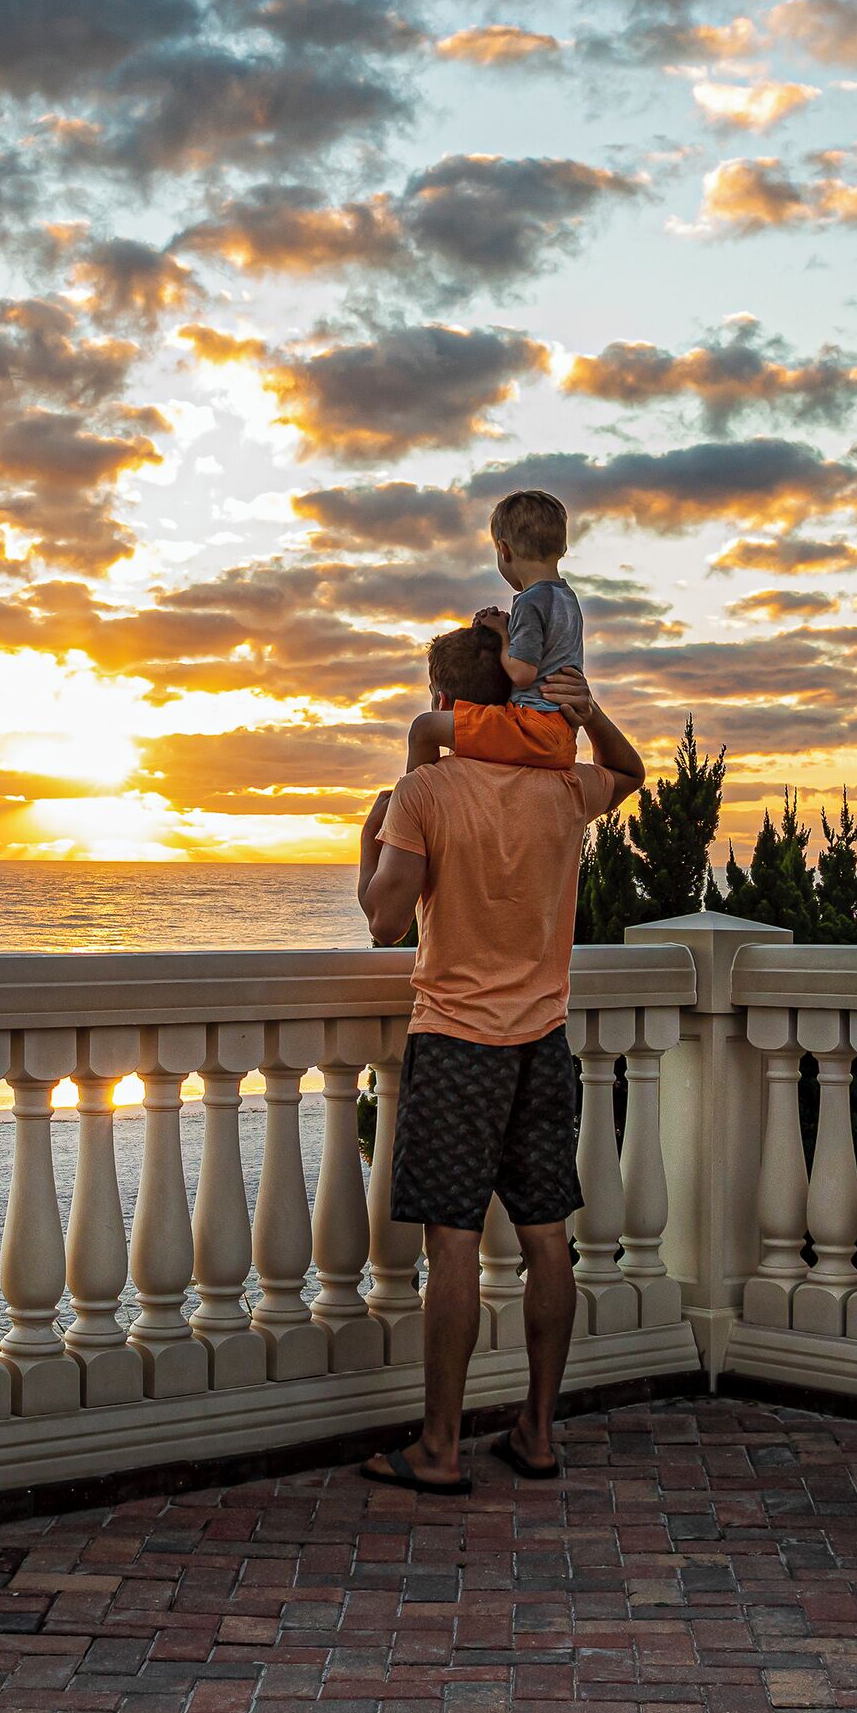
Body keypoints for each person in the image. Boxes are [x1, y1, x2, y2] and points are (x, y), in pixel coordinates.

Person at [353, 619, 643, 1494]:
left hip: (457, 1039)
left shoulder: (427, 794)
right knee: (548, 1238)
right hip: (542, 1038)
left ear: (447, 703)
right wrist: (585, 712)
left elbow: (383, 921)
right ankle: (539, 1432)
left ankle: (440, 1446)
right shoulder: (563, 788)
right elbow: (630, 774)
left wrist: (374, 830)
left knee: (454, 1246)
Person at [407, 488, 583, 775]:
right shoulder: (566, 599)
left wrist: (503, 635)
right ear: (561, 547)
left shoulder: (530, 601)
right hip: (562, 731)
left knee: (424, 727)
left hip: (532, 728)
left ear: (504, 550)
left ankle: (415, 796)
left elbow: (522, 673)